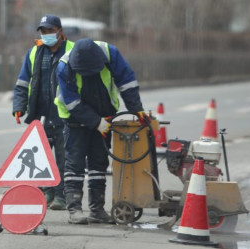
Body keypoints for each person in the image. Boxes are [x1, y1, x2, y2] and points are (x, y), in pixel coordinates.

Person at [54, 38, 151, 224]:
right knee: (75, 164)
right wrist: (97, 123)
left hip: (105, 116)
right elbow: (72, 102)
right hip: (75, 120)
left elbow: (127, 82)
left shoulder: (111, 54)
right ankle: (74, 209)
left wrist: (136, 108)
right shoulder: (64, 66)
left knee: (99, 163)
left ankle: (97, 210)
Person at [12, 15, 74, 210]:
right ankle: (46, 191)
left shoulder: (73, 50)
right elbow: (23, 82)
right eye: (43, 32)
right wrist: (19, 106)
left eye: (50, 31)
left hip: (64, 115)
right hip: (40, 115)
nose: (46, 35)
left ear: (60, 31)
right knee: (40, 158)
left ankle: (61, 195)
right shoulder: (34, 53)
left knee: (63, 159)